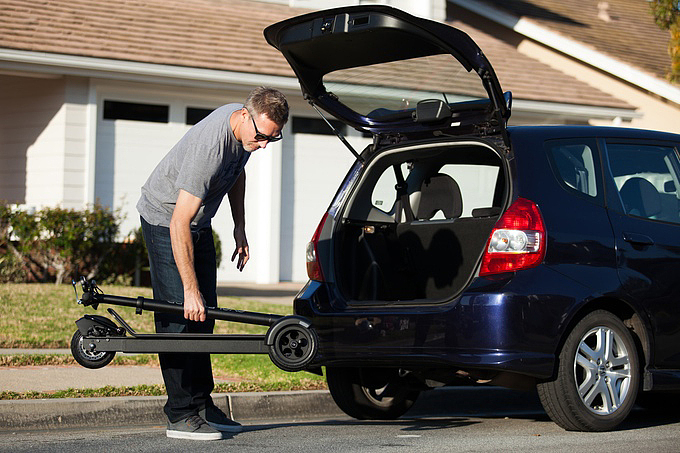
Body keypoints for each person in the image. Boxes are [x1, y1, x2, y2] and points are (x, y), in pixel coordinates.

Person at [136, 86, 289, 441]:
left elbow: (238, 174)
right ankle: (180, 413)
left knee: (206, 315)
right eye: (262, 136)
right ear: (244, 116)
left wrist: (239, 227)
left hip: (196, 224)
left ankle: (202, 404)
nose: (264, 145)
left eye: (273, 138)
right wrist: (189, 290)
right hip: (166, 220)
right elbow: (178, 222)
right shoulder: (212, 145)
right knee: (180, 315)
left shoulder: (247, 134)